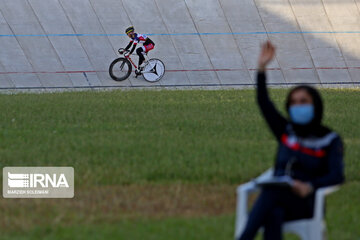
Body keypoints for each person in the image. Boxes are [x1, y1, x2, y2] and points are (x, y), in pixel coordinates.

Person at [238, 41, 345, 240]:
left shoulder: (329, 139)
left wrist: (310, 186)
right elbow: (264, 104)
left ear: (316, 105)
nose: (298, 106)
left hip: (306, 202)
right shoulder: (286, 132)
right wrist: (261, 69)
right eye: (293, 102)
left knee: (269, 195)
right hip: (279, 200)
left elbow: (337, 176)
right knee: (273, 213)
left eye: (303, 101)